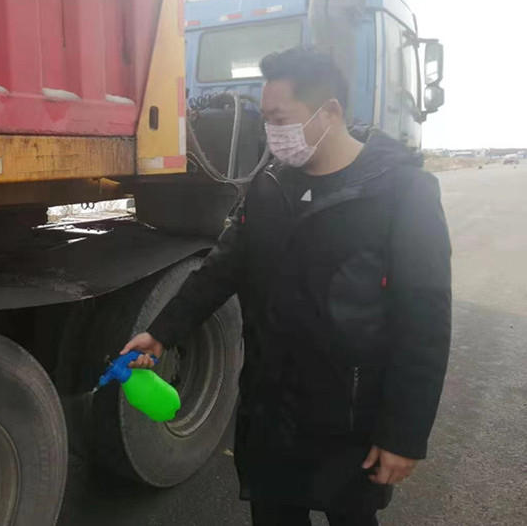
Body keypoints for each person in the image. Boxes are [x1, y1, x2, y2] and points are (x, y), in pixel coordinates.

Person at [121, 47, 452, 526]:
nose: (271, 132)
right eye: (266, 119)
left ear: (329, 112)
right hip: (271, 410)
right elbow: (222, 269)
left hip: (351, 417)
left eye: (280, 119)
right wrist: (162, 331)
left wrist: (404, 434)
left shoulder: (401, 192)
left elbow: (425, 321)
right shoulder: (270, 186)